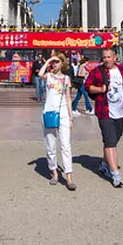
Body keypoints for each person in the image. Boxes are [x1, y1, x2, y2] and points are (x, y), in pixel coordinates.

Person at [84, 47, 123, 188]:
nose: (106, 59)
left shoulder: (121, 71)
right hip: (104, 111)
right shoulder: (97, 72)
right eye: (104, 57)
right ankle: (115, 175)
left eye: (109, 57)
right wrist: (100, 89)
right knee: (110, 142)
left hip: (120, 112)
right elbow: (87, 86)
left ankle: (104, 164)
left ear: (114, 58)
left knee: (115, 138)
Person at [41, 53, 77, 190]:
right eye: (53, 63)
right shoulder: (48, 76)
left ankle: (68, 176)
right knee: (50, 145)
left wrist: (70, 116)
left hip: (62, 114)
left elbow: (68, 98)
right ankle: (54, 172)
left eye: (57, 62)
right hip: (48, 113)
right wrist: (49, 60)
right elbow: (40, 74)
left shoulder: (66, 79)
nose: (54, 64)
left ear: (62, 64)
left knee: (66, 145)